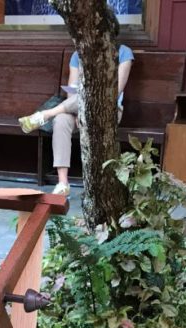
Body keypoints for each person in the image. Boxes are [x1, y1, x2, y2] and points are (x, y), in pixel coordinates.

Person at [17, 12, 134, 196]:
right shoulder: (78, 55)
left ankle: (45, 115)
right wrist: (81, 111)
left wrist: (86, 108)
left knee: (91, 96)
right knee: (61, 120)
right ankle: (63, 183)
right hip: (76, 108)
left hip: (109, 110)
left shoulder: (124, 52)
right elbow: (72, 90)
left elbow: (114, 92)